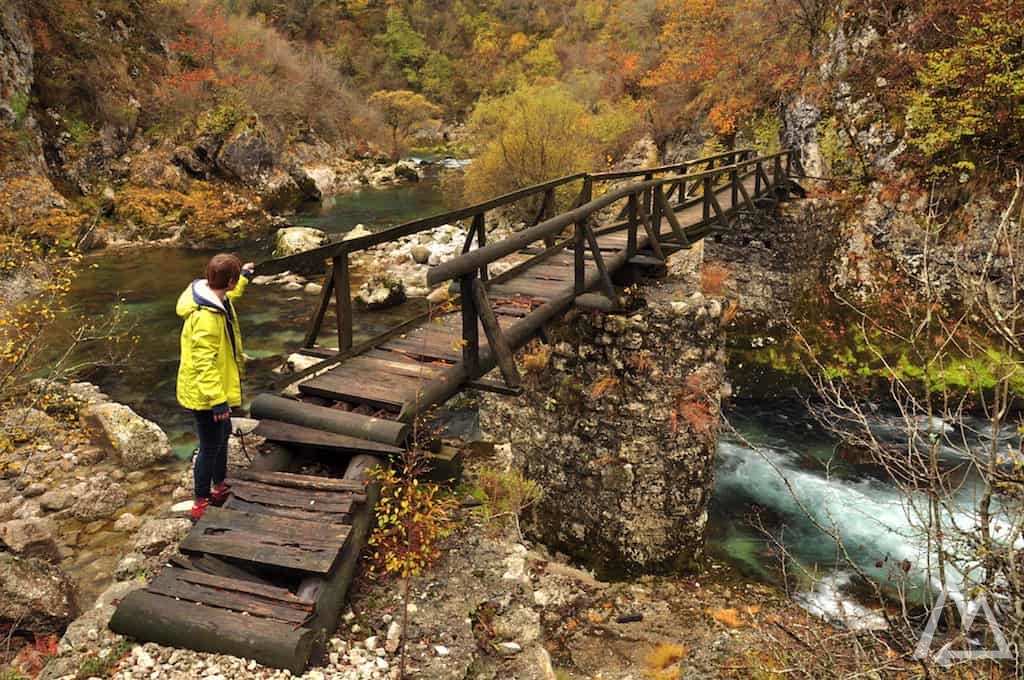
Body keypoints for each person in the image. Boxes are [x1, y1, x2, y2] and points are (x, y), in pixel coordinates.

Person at [175, 254, 255, 520]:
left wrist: (243, 277)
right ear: (228, 282)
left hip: (214, 390)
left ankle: (218, 486)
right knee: (210, 445)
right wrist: (218, 400)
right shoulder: (206, 318)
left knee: (224, 435)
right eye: (235, 280)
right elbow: (203, 364)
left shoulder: (215, 298)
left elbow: (232, 295)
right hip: (205, 395)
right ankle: (201, 500)